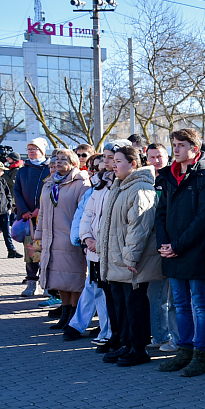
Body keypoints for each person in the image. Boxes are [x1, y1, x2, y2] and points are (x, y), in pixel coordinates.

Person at [156, 128, 205, 377]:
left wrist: (178, 245)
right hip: (172, 252)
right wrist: (164, 244)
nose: (176, 149)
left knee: (200, 305)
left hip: (195, 252)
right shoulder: (169, 175)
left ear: (194, 149)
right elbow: (160, 213)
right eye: (174, 144)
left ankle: (201, 355)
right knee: (180, 304)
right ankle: (184, 351)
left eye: (181, 145)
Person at [98, 146, 163, 366]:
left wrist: (130, 258)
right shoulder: (119, 186)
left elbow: (140, 227)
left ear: (133, 164)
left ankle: (138, 348)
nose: (114, 165)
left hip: (132, 263)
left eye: (118, 161)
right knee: (121, 305)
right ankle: (126, 344)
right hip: (117, 260)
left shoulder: (141, 188)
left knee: (135, 306)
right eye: (113, 161)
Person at [36, 149, 91, 329]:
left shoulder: (81, 183)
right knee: (58, 278)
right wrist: (39, 235)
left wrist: (81, 237)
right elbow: (42, 212)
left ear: (74, 163)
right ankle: (65, 312)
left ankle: (74, 315)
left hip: (70, 239)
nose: (58, 162)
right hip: (52, 238)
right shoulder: (50, 183)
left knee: (74, 278)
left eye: (63, 159)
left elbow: (85, 213)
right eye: (56, 159)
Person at [80, 142, 127, 353]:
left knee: (118, 297)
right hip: (95, 250)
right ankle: (113, 333)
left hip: (111, 250)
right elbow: (88, 214)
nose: (106, 162)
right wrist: (87, 238)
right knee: (107, 294)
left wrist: (100, 242)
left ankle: (121, 336)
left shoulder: (121, 183)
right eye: (105, 157)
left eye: (112, 158)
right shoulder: (100, 183)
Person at [64, 153, 111, 343]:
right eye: (91, 167)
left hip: (104, 248)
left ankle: (99, 328)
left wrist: (95, 242)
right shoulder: (92, 190)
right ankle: (79, 324)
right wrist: (84, 239)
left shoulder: (110, 187)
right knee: (93, 286)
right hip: (90, 246)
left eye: (98, 167)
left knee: (98, 288)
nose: (93, 171)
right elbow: (83, 217)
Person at [145, 143, 179, 352]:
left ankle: (176, 339)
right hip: (152, 247)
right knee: (156, 295)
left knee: (175, 298)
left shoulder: (172, 179)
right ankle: (160, 335)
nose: (156, 161)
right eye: (152, 157)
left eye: (160, 156)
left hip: (173, 245)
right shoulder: (145, 181)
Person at [15, 138, 50, 296]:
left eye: (34, 148)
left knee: (46, 251)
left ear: (42, 151)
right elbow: (17, 191)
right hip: (28, 219)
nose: (31, 151)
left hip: (45, 217)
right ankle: (31, 283)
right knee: (31, 252)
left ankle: (48, 285)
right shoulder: (23, 170)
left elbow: (51, 191)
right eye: (29, 149)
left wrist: (40, 209)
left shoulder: (49, 169)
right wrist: (24, 210)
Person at [0, 160, 21, 258]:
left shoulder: (2, 180)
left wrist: (9, 207)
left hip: (3, 211)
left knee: (7, 233)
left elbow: (8, 195)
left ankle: (11, 251)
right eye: (1, 170)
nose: (3, 172)